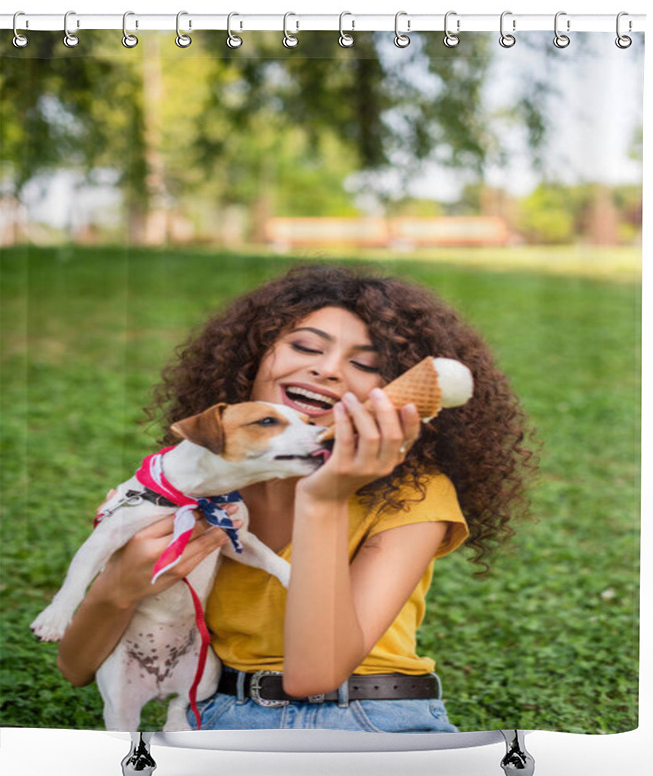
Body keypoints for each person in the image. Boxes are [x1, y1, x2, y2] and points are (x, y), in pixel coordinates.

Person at [56, 264, 534, 732]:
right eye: (305, 346)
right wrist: (119, 583)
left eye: (366, 364)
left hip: (374, 717)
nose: (326, 370)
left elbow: (315, 675)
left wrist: (323, 500)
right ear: (253, 357)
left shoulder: (414, 494)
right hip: (217, 715)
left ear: (387, 394)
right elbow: (76, 668)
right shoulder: (183, 492)